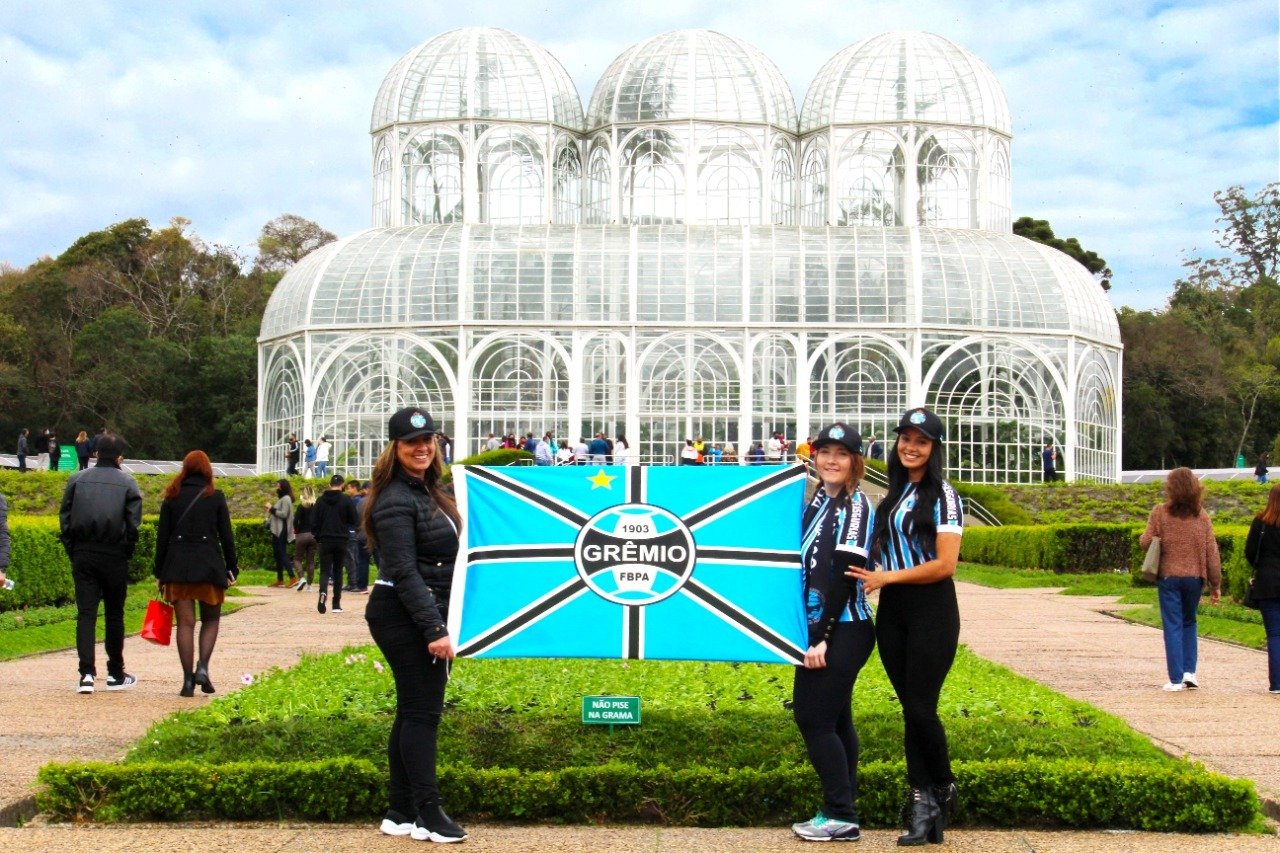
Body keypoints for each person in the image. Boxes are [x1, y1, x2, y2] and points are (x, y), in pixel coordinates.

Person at [847, 407, 963, 846]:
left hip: (932, 608)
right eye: (905, 439)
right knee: (911, 709)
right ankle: (924, 808)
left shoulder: (944, 496)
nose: (911, 447)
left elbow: (945, 565)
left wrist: (887, 578)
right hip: (893, 611)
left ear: (934, 448)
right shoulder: (893, 496)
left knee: (920, 709)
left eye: (921, 441)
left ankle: (942, 787)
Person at [364, 406, 467, 842]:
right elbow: (403, 571)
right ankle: (428, 813)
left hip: (421, 610)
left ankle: (400, 811)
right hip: (403, 613)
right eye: (411, 442)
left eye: (428, 440)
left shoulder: (430, 491)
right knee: (423, 714)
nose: (422, 448)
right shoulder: (394, 499)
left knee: (411, 711)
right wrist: (434, 631)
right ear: (395, 448)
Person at [790, 423, 875, 842]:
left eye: (841, 454)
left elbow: (845, 574)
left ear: (855, 462)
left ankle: (840, 813)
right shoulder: (820, 501)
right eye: (825, 452)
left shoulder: (855, 506)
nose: (831, 461)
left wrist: (820, 636)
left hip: (843, 627)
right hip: (823, 627)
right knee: (837, 721)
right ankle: (844, 809)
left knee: (813, 718)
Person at [59, 432, 142, 693]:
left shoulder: (77, 479)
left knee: (86, 613)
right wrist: (125, 552)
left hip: (83, 551)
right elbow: (133, 526)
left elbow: (65, 519)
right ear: (119, 457)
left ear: (95, 454)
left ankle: (86, 674)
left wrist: (74, 550)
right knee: (114, 614)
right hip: (114, 553)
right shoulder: (128, 483)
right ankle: (115, 673)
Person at [154, 450, 238, 697]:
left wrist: (159, 572)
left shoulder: (172, 496)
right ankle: (203, 667)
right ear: (207, 470)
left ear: (186, 469)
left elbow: (162, 539)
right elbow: (226, 536)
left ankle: (187, 682)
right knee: (211, 620)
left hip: (177, 567)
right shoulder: (215, 497)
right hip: (209, 566)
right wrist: (232, 567)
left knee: (185, 624)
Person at [1140, 467, 1221, 691]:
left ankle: (1175, 679)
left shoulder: (1160, 512)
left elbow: (1145, 542)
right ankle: (1189, 672)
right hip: (1195, 578)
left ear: (1171, 488)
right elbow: (1212, 552)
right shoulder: (1201, 516)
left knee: (1172, 625)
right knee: (1189, 622)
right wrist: (1216, 584)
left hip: (1168, 577)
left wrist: (1157, 536)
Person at [1244, 483, 1280, 695]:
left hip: (1267, 582)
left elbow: (1250, 552)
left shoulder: (1261, 522)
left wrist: (1261, 567)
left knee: (1274, 634)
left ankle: (1277, 684)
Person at [311, 473, 358, 614]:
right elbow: (354, 519)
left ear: (329, 484)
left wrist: (318, 536)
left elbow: (314, 522)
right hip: (341, 539)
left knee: (325, 570)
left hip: (325, 540)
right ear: (342, 485)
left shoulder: (320, 500)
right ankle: (336, 604)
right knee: (338, 571)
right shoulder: (346, 500)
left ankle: (323, 593)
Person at [264, 479, 295, 588]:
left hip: (281, 530)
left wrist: (271, 508)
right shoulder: (283, 499)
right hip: (277, 530)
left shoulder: (286, 498)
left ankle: (293, 577)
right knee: (278, 555)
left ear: (283, 487)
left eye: (278, 486)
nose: (277, 488)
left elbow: (284, 514)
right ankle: (280, 579)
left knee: (281, 554)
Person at [292, 486, 317, 591]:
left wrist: (296, 530)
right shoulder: (317, 506)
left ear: (304, 494)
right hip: (314, 536)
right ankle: (309, 586)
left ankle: (302, 578)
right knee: (310, 561)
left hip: (302, 534)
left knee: (297, 559)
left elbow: (295, 520)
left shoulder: (301, 506)